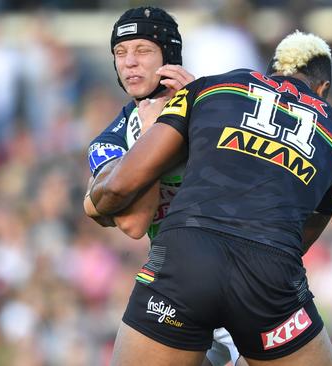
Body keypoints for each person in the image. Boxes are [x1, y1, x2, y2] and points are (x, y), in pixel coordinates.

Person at [87, 30, 332, 365]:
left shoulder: (213, 87)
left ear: (269, 74)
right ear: (323, 89)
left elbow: (121, 184)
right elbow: (303, 237)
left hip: (186, 258)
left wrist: (94, 203)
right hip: (268, 273)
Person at [84, 6, 244, 366]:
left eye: (142, 50)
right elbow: (133, 224)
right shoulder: (110, 139)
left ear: (169, 56)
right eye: (120, 53)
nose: (129, 63)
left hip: (248, 280)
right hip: (182, 286)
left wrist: (200, 115)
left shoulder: (219, 103)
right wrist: (153, 136)